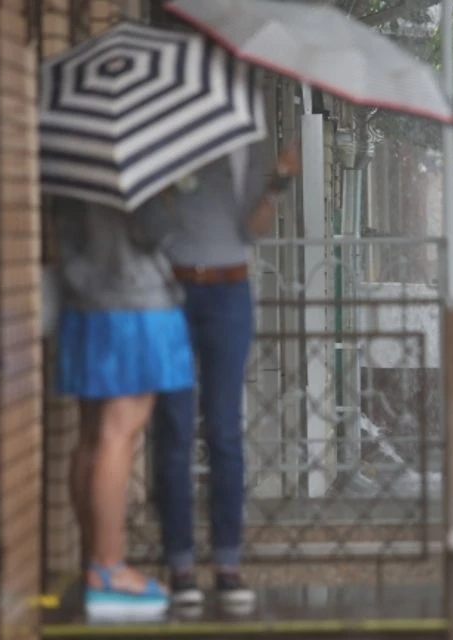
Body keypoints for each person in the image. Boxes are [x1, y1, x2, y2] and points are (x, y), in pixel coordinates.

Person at [141, 141, 300, 608]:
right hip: (172, 289)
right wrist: (168, 186)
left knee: (225, 429)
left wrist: (280, 183)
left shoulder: (244, 145)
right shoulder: (167, 138)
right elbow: (148, 228)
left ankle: (228, 564)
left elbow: (252, 230)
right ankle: (180, 565)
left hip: (230, 293)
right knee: (173, 427)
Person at [55, 198, 194, 618]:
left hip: (83, 304)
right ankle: (109, 569)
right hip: (134, 303)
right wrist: (173, 195)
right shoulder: (136, 170)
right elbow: (152, 230)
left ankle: (93, 559)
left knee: (91, 434)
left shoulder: (74, 167)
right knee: (120, 432)